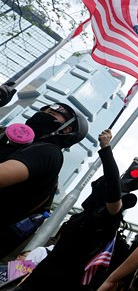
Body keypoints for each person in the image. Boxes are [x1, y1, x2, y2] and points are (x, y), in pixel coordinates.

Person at [15, 129, 126, 291]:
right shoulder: (78, 218)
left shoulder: (107, 221)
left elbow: (114, 190)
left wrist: (105, 148)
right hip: (37, 279)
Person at [0, 102, 88, 259]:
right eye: (44, 111)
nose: (43, 114)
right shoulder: (12, 143)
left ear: (66, 129)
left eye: (52, 115)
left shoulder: (48, 152)